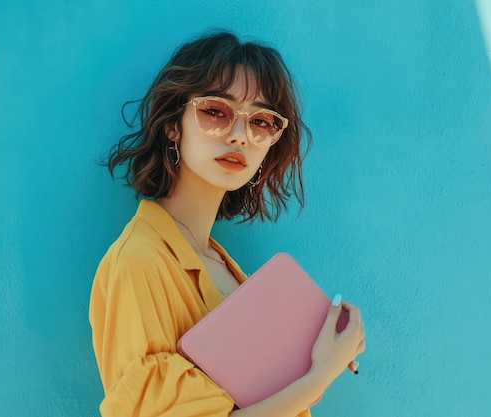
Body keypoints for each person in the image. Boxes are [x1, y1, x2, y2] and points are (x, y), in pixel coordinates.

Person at [89, 30, 365, 417]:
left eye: (261, 121)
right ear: (173, 124)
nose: (240, 136)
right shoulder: (139, 261)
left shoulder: (222, 265)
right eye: (215, 111)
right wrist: (319, 376)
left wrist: (322, 353)